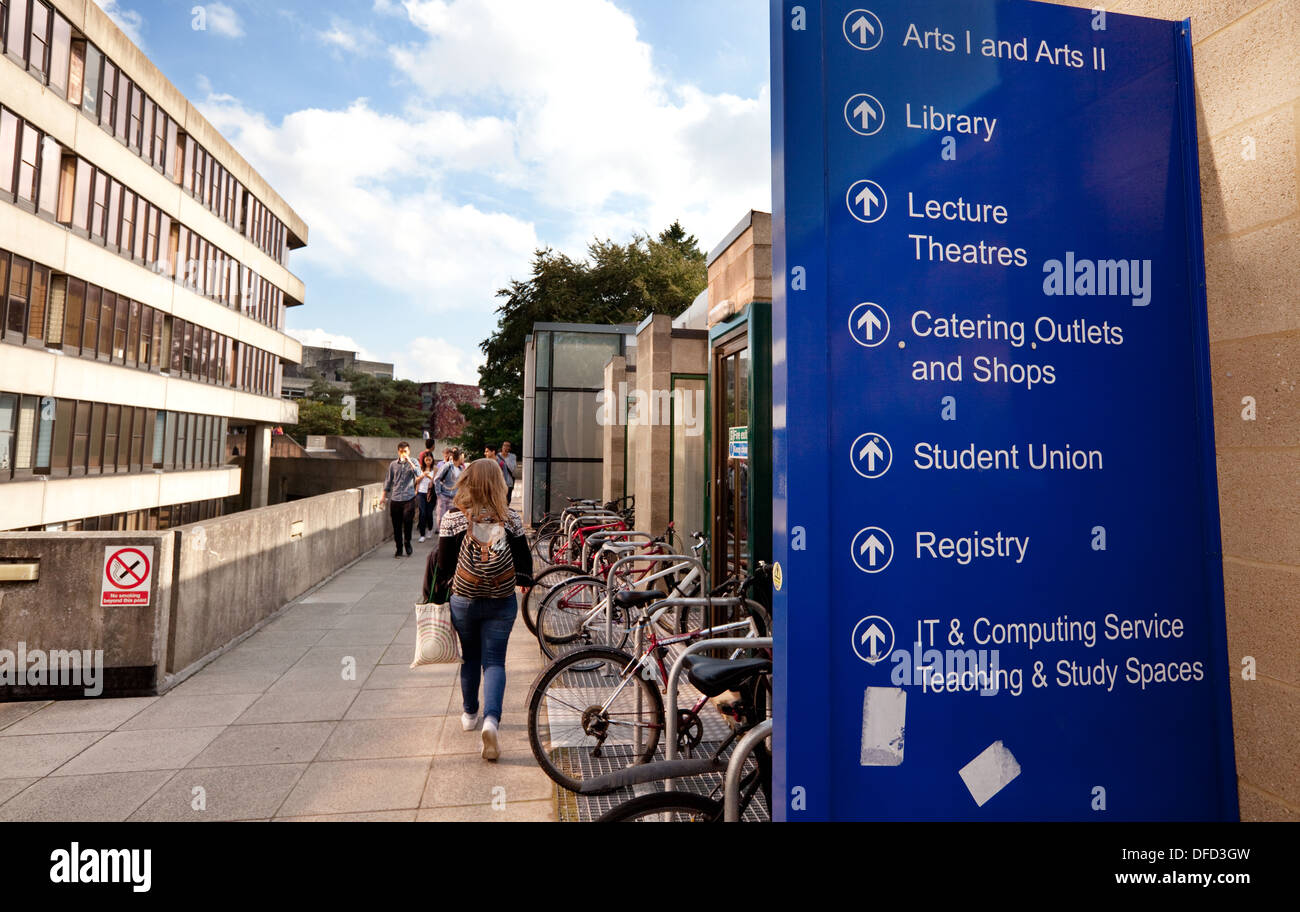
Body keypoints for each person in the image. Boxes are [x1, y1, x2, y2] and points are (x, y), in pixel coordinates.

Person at [424, 459, 533, 760]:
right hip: (501, 600)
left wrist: (451, 587)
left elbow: (445, 567)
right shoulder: (510, 519)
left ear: (467, 481)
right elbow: (525, 567)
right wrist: (522, 582)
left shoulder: (452, 518)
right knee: (495, 661)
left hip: (464, 600)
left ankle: (470, 713)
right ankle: (491, 721)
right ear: (498, 483)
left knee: (469, 656)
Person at [381, 441, 419, 557]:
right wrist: (383, 496)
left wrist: (409, 461)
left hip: (409, 498)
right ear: (398, 452)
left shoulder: (414, 462)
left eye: (406, 451)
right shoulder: (393, 464)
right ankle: (399, 547)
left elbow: (418, 473)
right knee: (396, 525)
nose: (403, 453)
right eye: (401, 451)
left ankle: (407, 542)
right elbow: (388, 481)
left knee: (408, 522)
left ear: (409, 451)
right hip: (396, 498)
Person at [433, 447, 464, 528]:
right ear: (459, 457)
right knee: (441, 518)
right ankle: (441, 534)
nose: (463, 459)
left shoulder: (461, 469)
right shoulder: (447, 466)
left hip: (454, 497)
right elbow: (437, 479)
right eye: (463, 457)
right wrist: (439, 494)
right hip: (444, 495)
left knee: (452, 518)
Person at [415, 452, 438, 543]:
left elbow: (436, 480)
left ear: (432, 459)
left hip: (431, 493)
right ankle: (422, 534)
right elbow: (416, 480)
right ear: (423, 460)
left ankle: (430, 528)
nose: (428, 461)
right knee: (422, 513)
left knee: (429, 513)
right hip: (421, 492)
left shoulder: (435, 468)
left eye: (429, 459)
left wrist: (429, 476)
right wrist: (423, 475)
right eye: (426, 460)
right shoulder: (420, 468)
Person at [500, 440, 517, 505]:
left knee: (507, 501)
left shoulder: (513, 456)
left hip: (509, 482)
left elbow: (512, 468)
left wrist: (506, 458)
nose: (505, 447)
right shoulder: (497, 456)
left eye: (507, 446)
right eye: (504, 445)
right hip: (499, 482)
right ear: (502, 446)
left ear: (510, 448)